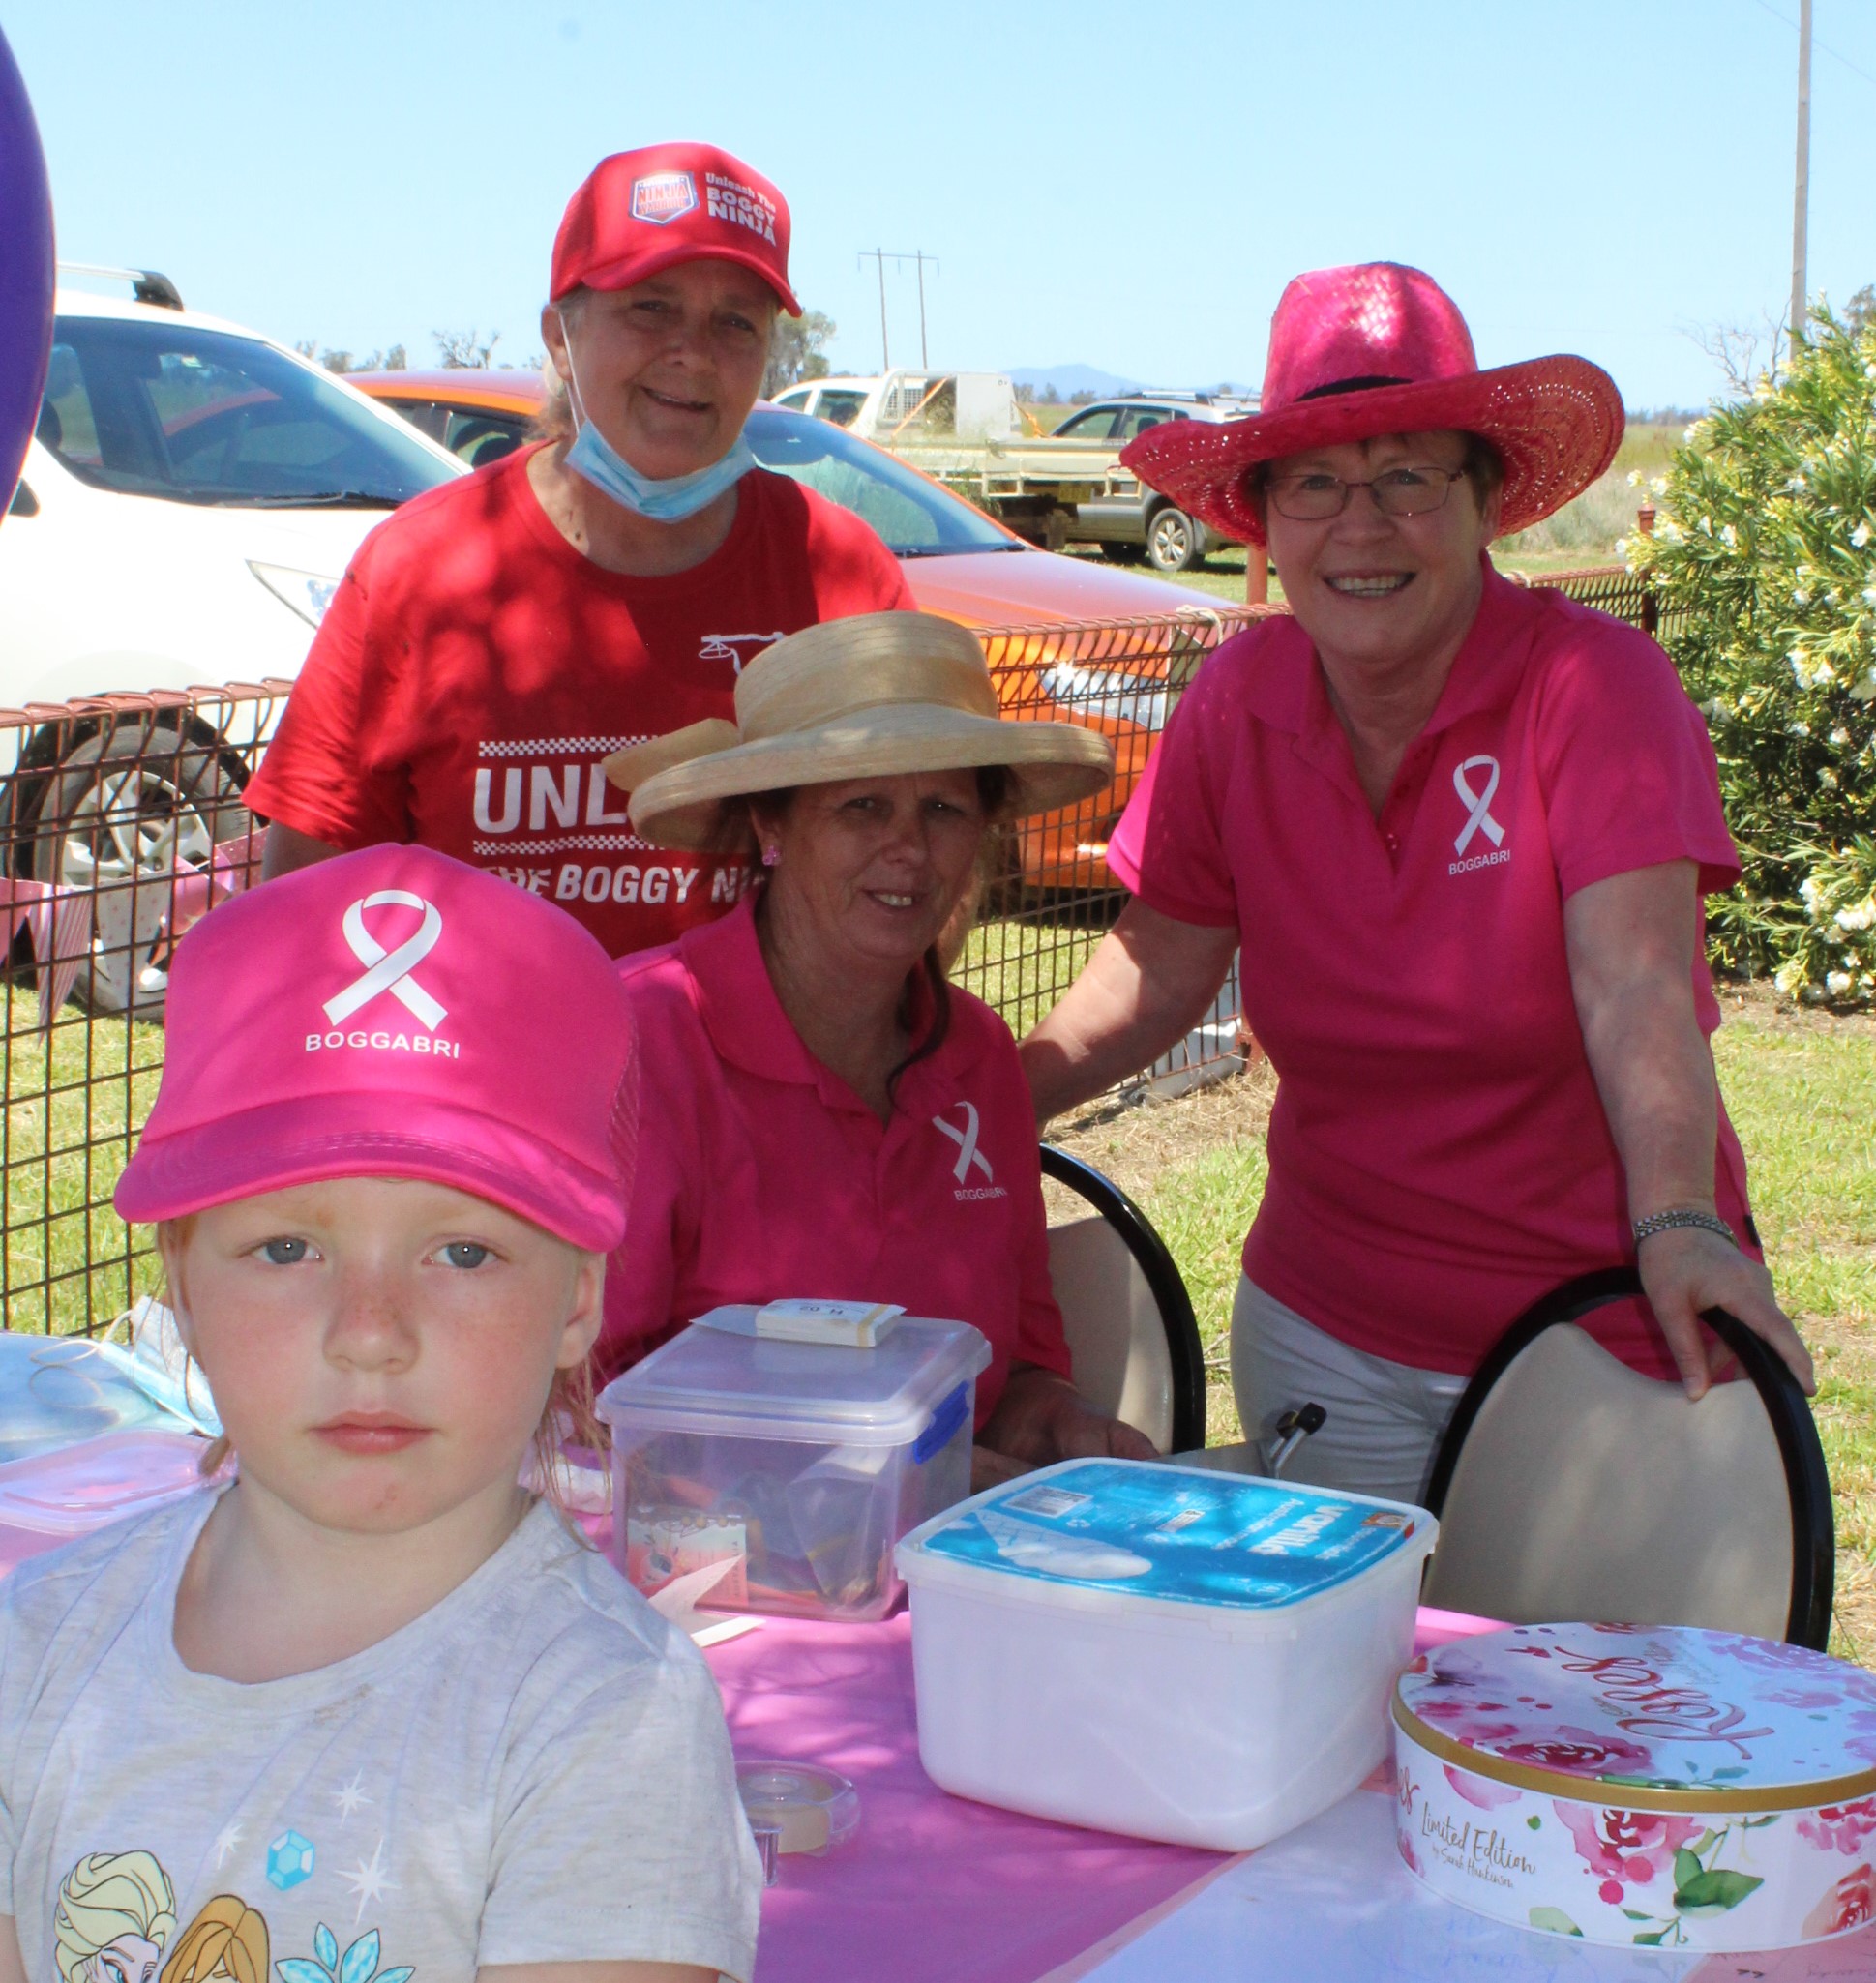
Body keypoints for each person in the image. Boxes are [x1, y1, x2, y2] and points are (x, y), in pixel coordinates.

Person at [1020, 262, 1815, 1507]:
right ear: (1263, 519)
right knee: (1340, 1690)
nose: (1361, 525)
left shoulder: (1594, 690)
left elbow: (1636, 985)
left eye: (1407, 477)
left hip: (1596, 1334)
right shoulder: (1234, 705)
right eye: (1317, 484)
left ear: (1485, 499)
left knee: (1577, 1701)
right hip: (1323, 1329)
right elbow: (1159, 963)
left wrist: (1678, 1219)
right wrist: (976, 1099)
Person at [0, 845, 759, 1983]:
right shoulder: (42, 1640)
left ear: (579, 1301)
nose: (370, 1329)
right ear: (184, 1283)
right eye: (288, 1247)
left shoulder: (604, 1723)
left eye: (463, 1251)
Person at [248, 143, 912, 954]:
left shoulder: (840, 572)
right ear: (560, 336)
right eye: (650, 307)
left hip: (751, 1081)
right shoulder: (415, 568)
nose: (693, 352)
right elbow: (305, 900)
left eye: (734, 321)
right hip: (478, 1076)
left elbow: (918, 875)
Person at [597, 610, 1157, 1490]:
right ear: (769, 830)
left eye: (943, 808)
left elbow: (1012, 1365)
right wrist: (879, 1481)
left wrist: (1059, 1425)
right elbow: (575, 1402)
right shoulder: (642, 1038)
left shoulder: (976, 1053)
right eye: (862, 806)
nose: (908, 849)